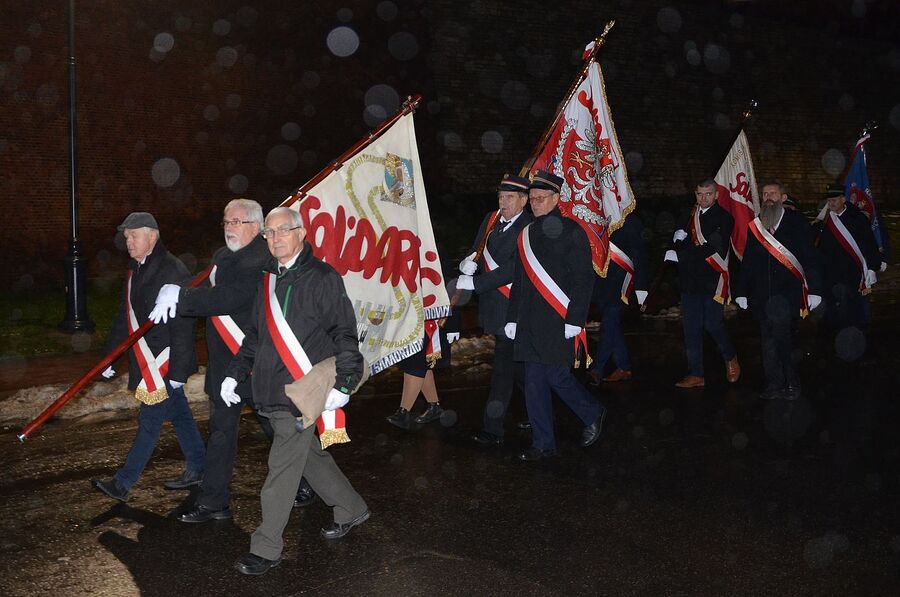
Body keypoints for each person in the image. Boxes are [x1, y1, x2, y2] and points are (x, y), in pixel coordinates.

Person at [148, 199, 318, 521]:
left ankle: (307, 482)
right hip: (225, 364)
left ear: (256, 227)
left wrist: (182, 297)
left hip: (255, 362)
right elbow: (205, 286)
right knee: (221, 433)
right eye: (226, 222)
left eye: (237, 222)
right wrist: (176, 291)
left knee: (278, 428)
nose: (229, 228)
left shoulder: (264, 259)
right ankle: (214, 501)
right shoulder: (222, 257)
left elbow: (229, 297)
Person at [222, 207, 368, 576]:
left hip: (302, 391)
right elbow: (255, 336)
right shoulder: (267, 279)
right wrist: (234, 374)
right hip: (270, 389)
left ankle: (266, 547)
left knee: (282, 468)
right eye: (269, 233)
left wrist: (346, 382)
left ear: (301, 233)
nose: (275, 239)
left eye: (283, 230)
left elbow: (344, 332)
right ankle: (351, 508)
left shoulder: (323, 278)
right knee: (308, 457)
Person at [91, 212, 205, 502]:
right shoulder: (135, 269)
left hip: (165, 362)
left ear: (152, 236)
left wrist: (178, 372)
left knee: (149, 421)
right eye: (126, 236)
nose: (128, 241)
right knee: (180, 415)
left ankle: (123, 483)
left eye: (134, 235)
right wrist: (109, 357)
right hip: (147, 360)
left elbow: (184, 323)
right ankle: (200, 466)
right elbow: (125, 317)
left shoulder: (173, 269)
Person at [505, 170, 606, 461]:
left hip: (559, 319)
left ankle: (593, 412)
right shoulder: (526, 233)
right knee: (534, 382)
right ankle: (543, 443)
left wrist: (575, 319)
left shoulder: (572, 231)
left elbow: (583, 279)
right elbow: (520, 279)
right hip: (529, 320)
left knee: (556, 376)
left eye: (541, 198)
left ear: (556, 198)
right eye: (532, 199)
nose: (535, 203)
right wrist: (512, 317)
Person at [455, 173, 533, 446]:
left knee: (502, 369)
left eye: (510, 197)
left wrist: (476, 283)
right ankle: (539, 410)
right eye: (501, 197)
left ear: (523, 200)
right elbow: (478, 248)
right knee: (518, 368)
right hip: (493, 304)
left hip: (513, 307)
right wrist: (468, 262)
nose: (503, 202)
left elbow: (515, 267)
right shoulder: (491, 219)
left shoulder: (529, 227)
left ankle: (493, 429)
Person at [735, 181, 822, 400]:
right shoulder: (756, 225)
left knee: (784, 341)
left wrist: (815, 289)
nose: (768, 197)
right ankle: (773, 384)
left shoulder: (797, 223)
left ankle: (792, 383)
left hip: (787, 296)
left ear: (783, 198)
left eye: (773, 193)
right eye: (765, 194)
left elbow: (810, 257)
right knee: (767, 343)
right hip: (762, 296)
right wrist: (742, 291)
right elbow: (749, 261)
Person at [666, 179, 740, 389]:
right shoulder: (688, 215)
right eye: (700, 194)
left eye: (708, 194)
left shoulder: (724, 218)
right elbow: (679, 241)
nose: (703, 198)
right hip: (689, 280)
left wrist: (681, 256)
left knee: (712, 324)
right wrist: (675, 240)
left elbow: (712, 248)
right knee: (691, 328)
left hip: (711, 280)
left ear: (716, 195)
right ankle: (696, 373)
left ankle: (730, 356)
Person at [812, 184, 881, 354]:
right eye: (829, 201)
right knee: (834, 310)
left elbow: (869, 244)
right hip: (831, 275)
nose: (831, 203)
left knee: (855, 309)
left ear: (843, 199)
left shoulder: (857, 218)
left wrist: (872, 267)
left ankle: (859, 342)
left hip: (853, 274)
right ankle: (835, 342)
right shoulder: (825, 220)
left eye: (834, 200)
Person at [587, 213, 649, 385]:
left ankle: (597, 369)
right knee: (612, 326)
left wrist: (641, 287)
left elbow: (639, 254)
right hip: (601, 282)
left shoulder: (630, 219)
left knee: (609, 324)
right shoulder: (596, 214)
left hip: (621, 282)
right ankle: (623, 366)